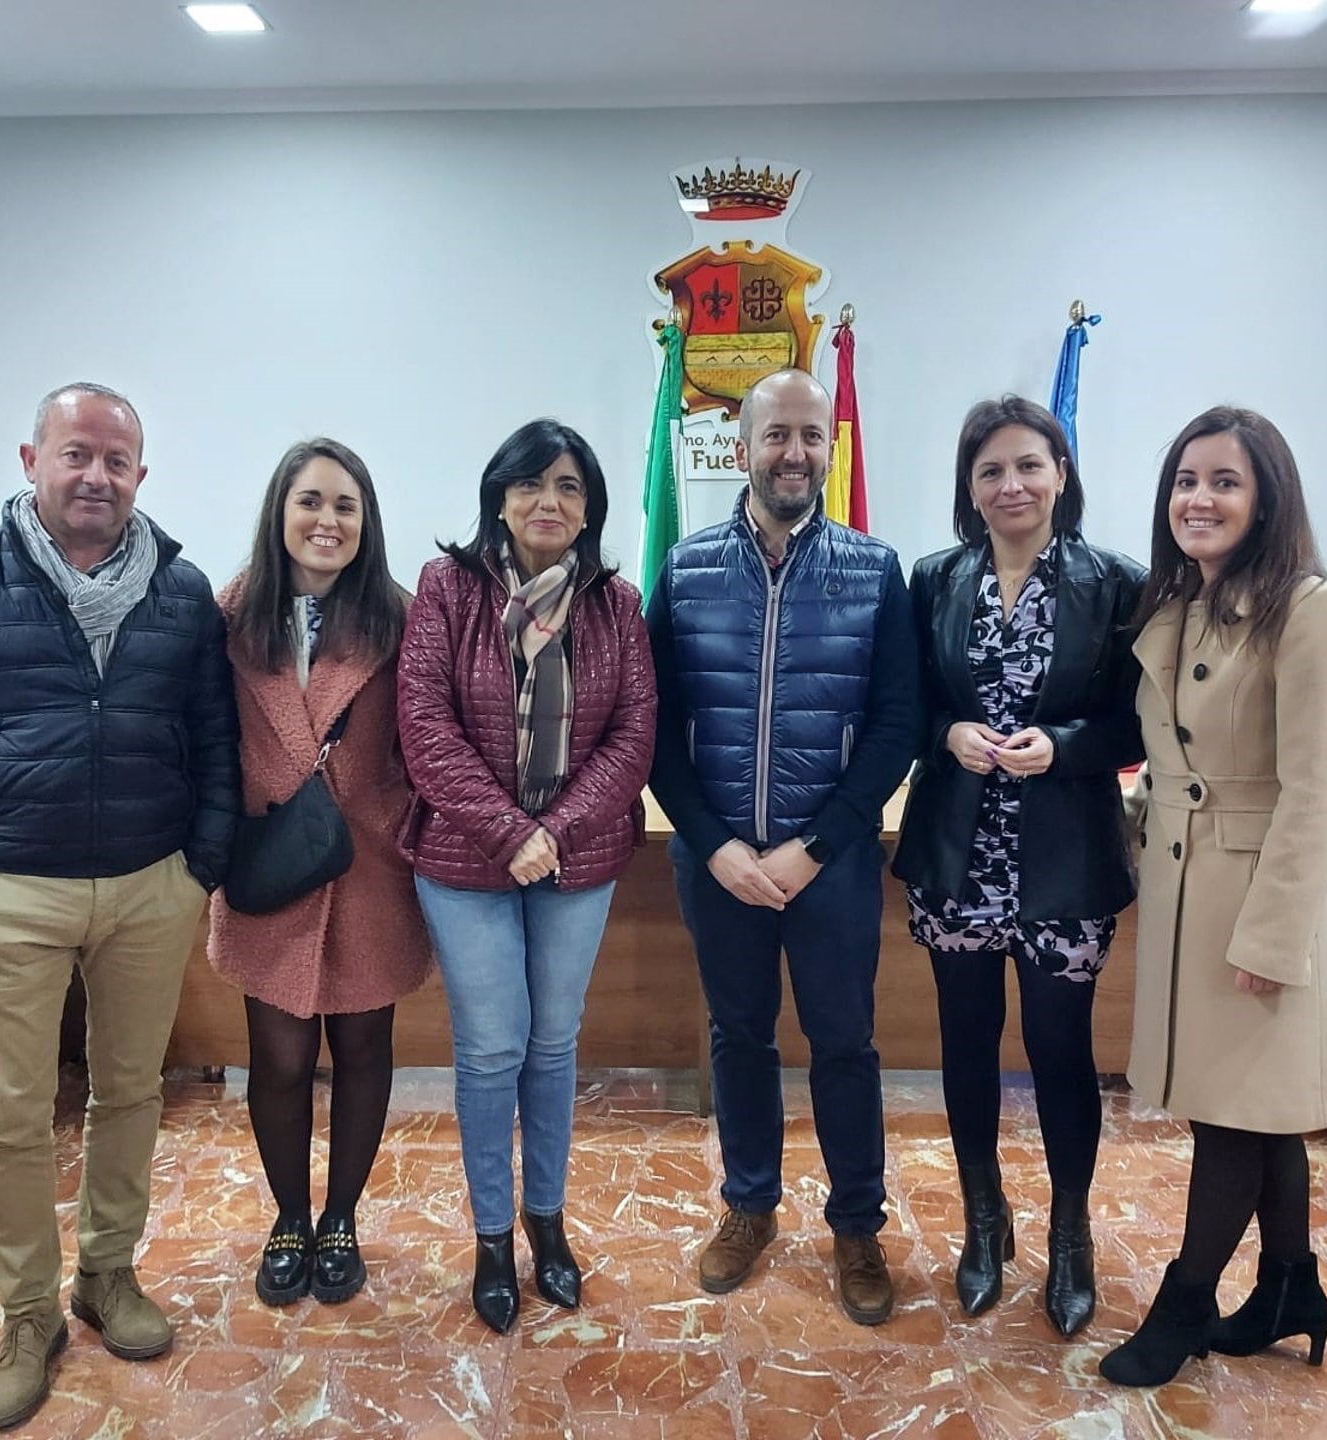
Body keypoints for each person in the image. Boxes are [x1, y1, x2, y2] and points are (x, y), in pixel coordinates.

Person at [0, 382, 239, 1432]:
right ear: (31, 458)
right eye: (77, 454)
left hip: (146, 888)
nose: (96, 476)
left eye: (118, 461)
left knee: (130, 1093)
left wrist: (198, 866)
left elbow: (215, 740)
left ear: (141, 478)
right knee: (9, 1118)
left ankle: (108, 1277)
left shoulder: (180, 589)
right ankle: (27, 1316)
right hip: (6, 894)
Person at [645, 367, 920, 1326]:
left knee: (844, 1044)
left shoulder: (875, 571)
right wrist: (715, 844)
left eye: (810, 436)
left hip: (830, 863)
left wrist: (815, 844)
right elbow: (656, 727)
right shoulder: (682, 572)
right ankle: (749, 1208)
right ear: (744, 447)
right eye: (775, 436)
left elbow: (896, 727)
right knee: (739, 1036)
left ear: (828, 449)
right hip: (717, 865)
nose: (793, 453)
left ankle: (856, 1227)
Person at [1099, 406, 1327, 1386]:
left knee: (1233, 1118)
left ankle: (1184, 1301)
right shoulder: (1175, 608)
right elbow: (1167, 765)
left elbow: (1316, 796)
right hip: (1184, 892)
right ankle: (1294, 1286)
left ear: (1267, 499)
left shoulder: (1313, 611)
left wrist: (1275, 939)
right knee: (1255, 1111)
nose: (1198, 500)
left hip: (1257, 904)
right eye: (1184, 481)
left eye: (1224, 481)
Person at [891, 396, 1146, 1336]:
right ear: (970, 486)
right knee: (966, 1044)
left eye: (1029, 465)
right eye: (991, 470)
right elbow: (900, 706)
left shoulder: (1118, 584)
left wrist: (1069, 745)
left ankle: (1069, 1232)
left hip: (1063, 860)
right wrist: (946, 730)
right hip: (960, 856)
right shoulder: (934, 580)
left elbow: (1137, 721)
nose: (1012, 485)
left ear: (1062, 472)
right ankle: (983, 1220)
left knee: (1059, 1051)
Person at [396, 418, 655, 1334]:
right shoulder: (448, 589)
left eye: (570, 486)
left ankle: (548, 1223)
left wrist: (560, 829)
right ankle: (492, 1238)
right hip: (466, 862)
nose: (551, 502)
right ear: (498, 496)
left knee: (554, 1046)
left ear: (591, 508)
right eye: (531, 484)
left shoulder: (616, 605)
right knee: (494, 1048)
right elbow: (423, 725)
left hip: (578, 864)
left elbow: (633, 735)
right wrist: (510, 832)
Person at [208, 439, 433, 1308]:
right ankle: (289, 1217)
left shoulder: (400, 616)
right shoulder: (231, 616)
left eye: (345, 505)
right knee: (279, 1058)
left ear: (366, 521)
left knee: (366, 1047)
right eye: (310, 502)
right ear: (280, 513)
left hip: (370, 863)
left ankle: (341, 1217)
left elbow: (431, 739)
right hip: (269, 865)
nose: (327, 521)